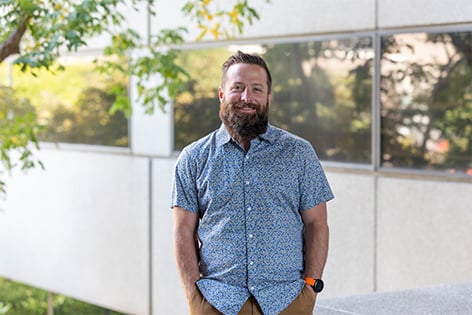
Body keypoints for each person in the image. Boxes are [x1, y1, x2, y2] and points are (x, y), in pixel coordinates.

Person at [171, 50, 334, 315]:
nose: (247, 97)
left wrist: (309, 289)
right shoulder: (194, 157)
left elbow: (317, 223)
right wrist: (193, 295)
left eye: (256, 89)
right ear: (222, 94)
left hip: (287, 300)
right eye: (238, 87)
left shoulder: (299, 153)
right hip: (216, 301)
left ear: (268, 97)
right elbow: (182, 231)